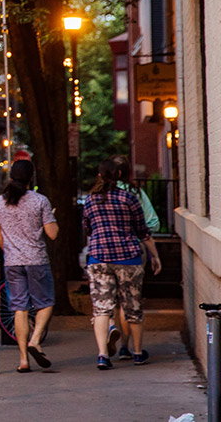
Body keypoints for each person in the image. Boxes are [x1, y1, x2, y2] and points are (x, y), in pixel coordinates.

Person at [82, 158, 162, 370]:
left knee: (101, 310)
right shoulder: (129, 198)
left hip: (99, 258)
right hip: (128, 258)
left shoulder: (90, 201)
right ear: (118, 175)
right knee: (133, 307)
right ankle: (137, 352)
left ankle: (102, 356)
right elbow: (143, 231)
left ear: (100, 176)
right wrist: (155, 256)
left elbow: (87, 229)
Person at [0, 159, 58, 373]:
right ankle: (35, 340)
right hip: (36, 259)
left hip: (12, 261)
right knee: (46, 302)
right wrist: (52, 217)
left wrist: (8, 249)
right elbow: (52, 234)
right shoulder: (40, 201)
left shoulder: (0, 202)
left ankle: (23, 360)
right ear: (31, 177)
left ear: (11, 176)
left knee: (19, 307)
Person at [107, 154, 161, 359]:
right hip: (134, 250)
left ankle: (120, 342)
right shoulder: (135, 193)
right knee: (131, 300)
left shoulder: (102, 193)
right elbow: (153, 222)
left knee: (116, 302)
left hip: (106, 252)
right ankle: (130, 348)